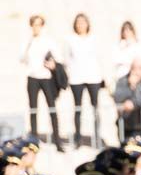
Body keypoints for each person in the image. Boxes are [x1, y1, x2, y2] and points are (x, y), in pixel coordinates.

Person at [19, 14, 65, 151]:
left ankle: (57, 140)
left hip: (46, 78)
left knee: (52, 108)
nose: (36, 27)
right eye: (34, 24)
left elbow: (58, 58)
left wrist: (53, 64)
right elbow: (22, 59)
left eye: (39, 24)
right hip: (32, 77)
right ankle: (33, 140)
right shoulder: (28, 41)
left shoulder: (49, 41)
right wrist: (28, 45)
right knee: (33, 109)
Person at [66, 13, 104, 149]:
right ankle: (77, 138)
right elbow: (68, 59)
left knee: (95, 107)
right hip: (77, 78)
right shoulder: (71, 39)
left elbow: (99, 58)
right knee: (78, 109)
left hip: (93, 77)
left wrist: (102, 77)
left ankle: (97, 136)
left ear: (87, 24)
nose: (81, 25)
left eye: (83, 22)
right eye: (78, 22)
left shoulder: (94, 39)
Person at [112, 58, 141, 143]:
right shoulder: (123, 80)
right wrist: (131, 87)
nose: (137, 71)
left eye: (140, 68)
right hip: (126, 125)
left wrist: (134, 103)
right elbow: (117, 97)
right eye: (134, 68)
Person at [112, 21, 141, 85]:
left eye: (129, 30)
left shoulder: (138, 45)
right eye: (125, 30)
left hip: (136, 77)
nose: (127, 33)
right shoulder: (119, 45)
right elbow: (116, 60)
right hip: (121, 76)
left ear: (133, 31)